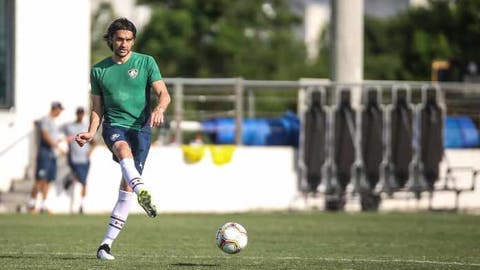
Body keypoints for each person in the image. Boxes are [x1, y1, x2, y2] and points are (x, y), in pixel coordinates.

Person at [75, 18, 171, 260]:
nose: (124, 43)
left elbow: (164, 94)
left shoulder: (146, 62)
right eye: (119, 39)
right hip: (115, 126)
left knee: (125, 188)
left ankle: (105, 246)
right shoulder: (99, 70)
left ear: (133, 41)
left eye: (128, 39)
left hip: (141, 129)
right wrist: (91, 131)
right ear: (111, 40)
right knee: (121, 149)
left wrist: (159, 108)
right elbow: (97, 108)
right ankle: (142, 189)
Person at [27, 101, 65, 214]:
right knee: (40, 179)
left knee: (48, 180)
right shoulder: (46, 120)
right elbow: (45, 136)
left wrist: (61, 141)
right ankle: (31, 204)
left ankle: (43, 205)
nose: (60, 112)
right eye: (59, 110)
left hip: (52, 154)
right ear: (55, 109)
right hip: (45, 153)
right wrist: (58, 147)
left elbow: (53, 137)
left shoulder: (53, 122)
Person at [62, 107, 94, 214]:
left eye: (82, 113)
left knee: (83, 182)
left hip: (84, 159)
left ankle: (81, 205)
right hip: (73, 158)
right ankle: (72, 178)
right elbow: (62, 136)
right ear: (76, 114)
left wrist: (90, 151)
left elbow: (94, 141)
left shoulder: (86, 127)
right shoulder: (70, 127)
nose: (80, 115)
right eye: (79, 113)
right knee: (79, 179)